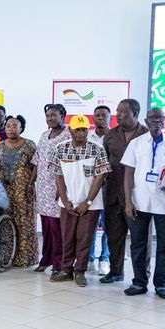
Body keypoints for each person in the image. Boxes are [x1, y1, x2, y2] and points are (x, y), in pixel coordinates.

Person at [121, 107, 165, 299]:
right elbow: (128, 174)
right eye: (152, 118)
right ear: (146, 121)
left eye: (160, 118)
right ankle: (139, 282)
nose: (156, 121)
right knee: (138, 243)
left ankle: (162, 285)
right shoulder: (136, 143)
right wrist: (128, 202)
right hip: (139, 201)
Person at [49, 115, 111, 287]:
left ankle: (80, 271)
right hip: (67, 203)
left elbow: (100, 177)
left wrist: (88, 202)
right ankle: (66, 269)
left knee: (84, 239)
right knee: (67, 237)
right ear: (70, 130)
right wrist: (65, 200)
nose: (80, 133)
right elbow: (58, 176)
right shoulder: (60, 149)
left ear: (88, 130)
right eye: (77, 129)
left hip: (90, 205)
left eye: (84, 129)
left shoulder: (97, 149)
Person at [101, 98, 148, 284]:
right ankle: (115, 271)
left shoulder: (145, 135)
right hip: (112, 192)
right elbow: (103, 163)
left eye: (123, 112)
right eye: (117, 111)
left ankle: (141, 277)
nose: (118, 115)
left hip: (137, 195)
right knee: (114, 236)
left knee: (139, 239)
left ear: (135, 114)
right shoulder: (110, 135)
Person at [0, 115, 38, 268]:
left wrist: (30, 184)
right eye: (8, 126)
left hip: (23, 190)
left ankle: (25, 258)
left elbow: (36, 166)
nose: (11, 128)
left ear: (21, 128)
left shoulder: (29, 145)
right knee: (6, 222)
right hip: (4, 190)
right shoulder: (0, 145)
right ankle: (7, 256)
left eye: (14, 126)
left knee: (24, 223)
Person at [31, 104, 71, 273]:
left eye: (54, 115)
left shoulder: (68, 136)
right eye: (48, 116)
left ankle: (59, 263)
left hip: (58, 187)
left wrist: (62, 190)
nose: (50, 119)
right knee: (46, 227)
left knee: (57, 228)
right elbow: (36, 161)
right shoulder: (44, 135)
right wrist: (30, 183)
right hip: (42, 187)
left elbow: (70, 165)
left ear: (63, 116)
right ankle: (46, 259)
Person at [89, 104, 112, 275]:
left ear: (110, 117)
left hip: (110, 187)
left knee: (108, 226)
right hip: (90, 187)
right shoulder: (87, 137)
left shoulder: (115, 137)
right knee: (89, 224)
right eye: (97, 115)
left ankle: (104, 258)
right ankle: (89, 258)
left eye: (104, 115)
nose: (101, 118)